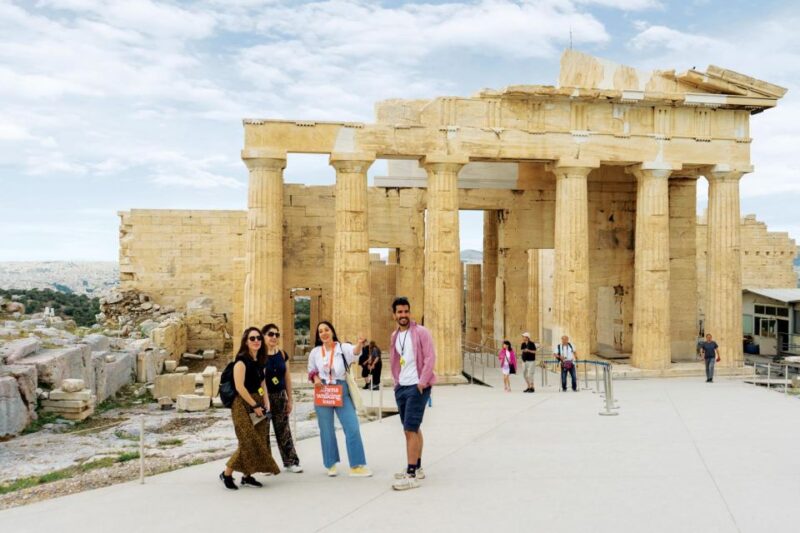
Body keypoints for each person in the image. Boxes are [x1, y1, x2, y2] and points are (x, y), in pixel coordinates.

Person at [307, 321, 372, 477]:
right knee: (326, 429)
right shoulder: (315, 352)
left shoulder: (342, 348)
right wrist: (315, 379)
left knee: (352, 426)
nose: (324, 333)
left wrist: (359, 344)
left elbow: (355, 353)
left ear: (332, 331)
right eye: (320, 331)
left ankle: (356, 465)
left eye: (326, 329)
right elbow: (311, 370)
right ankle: (330, 464)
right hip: (323, 391)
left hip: (341, 389)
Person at [220, 327, 280, 490]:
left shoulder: (260, 361)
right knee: (247, 440)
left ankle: (247, 476)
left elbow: (262, 383)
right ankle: (226, 474)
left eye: (259, 338)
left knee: (258, 439)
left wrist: (265, 402)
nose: (256, 341)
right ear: (246, 341)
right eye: (252, 338)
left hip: (258, 401)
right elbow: (240, 387)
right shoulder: (241, 361)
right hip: (242, 403)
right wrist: (254, 406)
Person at [389, 296, 436, 491]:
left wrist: (422, 382)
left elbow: (430, 357)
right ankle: (417, 467)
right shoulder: (394, 336)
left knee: (409, 429)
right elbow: (395, 360)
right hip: (402, 386)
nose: (403, 315)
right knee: (413, 429)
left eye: (406, 311)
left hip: (418, 386)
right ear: (394, 315)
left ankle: (410, 474)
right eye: (400, 312)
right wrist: (396, 382)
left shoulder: (421, 332)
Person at [261, 323, 302, 473]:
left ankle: (291, 462)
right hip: (262, 397)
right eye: (270, 334)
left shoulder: (282, 354)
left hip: (279, 396)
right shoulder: (258, 355)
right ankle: (266, 464)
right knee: (263, 431)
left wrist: (289, 399)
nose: (274, 337)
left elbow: (287, 378)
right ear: (263, 336)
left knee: (283, 429)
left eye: (277, 335)